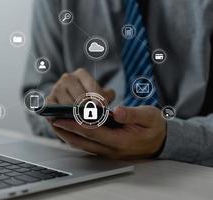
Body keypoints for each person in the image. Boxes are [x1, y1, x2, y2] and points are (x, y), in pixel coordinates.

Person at [22, 0, 213, 166]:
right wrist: (61, 112)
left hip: (192, 170)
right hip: (87, 164)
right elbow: (35, 94)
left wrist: (170, 138)